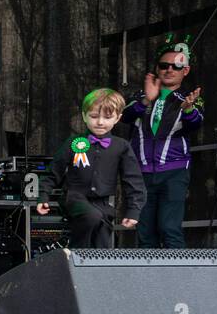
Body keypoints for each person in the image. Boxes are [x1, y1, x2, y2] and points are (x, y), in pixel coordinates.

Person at [117, 34, 204, 248]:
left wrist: (189, 109)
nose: (169, 69)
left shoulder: (190, 98)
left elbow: (196, 123)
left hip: (174, 172)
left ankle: (178, 281)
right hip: (141, 173)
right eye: (164, 65)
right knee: (145, 233)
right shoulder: (141, 95)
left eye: (175, 66)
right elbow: (122, 116)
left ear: (185, 71)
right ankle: (149, 281)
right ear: (157, 68)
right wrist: (147, 98)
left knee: (169, 228)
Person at [38, 88, 144, 249]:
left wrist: (133, 211)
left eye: (107, 117)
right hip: (75, 198)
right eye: (94, 116)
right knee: (91, 216)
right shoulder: (74, 142)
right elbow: (53, 171)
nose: (100, 122)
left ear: (118, 118)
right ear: (84, 116)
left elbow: (133, 180)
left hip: (103, 204)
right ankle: (76, 251)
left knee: (102, 239)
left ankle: (94, 268)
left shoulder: (121, 146)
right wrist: (43, 196)